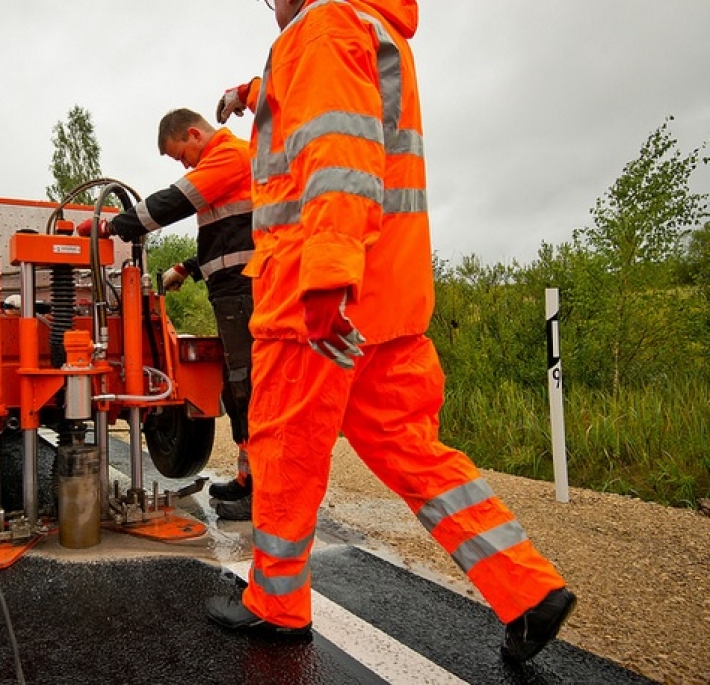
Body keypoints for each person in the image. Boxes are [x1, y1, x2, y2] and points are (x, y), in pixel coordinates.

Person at [204, 0, 577, 665]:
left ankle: (276, 603)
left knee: (284, 452)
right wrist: (249, 92)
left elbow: (337, 155)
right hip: (387, 297)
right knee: (412, 450)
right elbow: (323, 106)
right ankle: (527, 587)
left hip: (315, 300)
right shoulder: (368, 26)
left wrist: (326, 278)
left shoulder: (319, 27)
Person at [83, 108, 257, 521]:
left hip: (247, 290)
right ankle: (249, 477)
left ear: (194, 134)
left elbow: (174, 201)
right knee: (238, 388)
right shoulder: (229, 164)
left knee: (251, 387)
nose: (185, 165)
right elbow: (234, 232)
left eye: (182, 156)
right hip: (234, 291)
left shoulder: (230, 156)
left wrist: (112, 227)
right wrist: (188, 267)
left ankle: (265, 492)